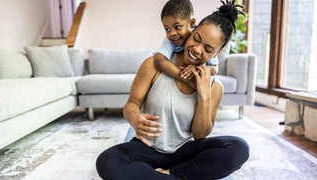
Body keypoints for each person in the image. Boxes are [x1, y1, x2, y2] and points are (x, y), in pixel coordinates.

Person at [96, 1, 249, 179]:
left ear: (217, 53)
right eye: (196, 38)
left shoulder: (215, 87)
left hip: (184, 151)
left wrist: (204, 95)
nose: (196, 50)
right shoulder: (153, 65)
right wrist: (134, 118)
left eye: (208, 49)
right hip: (147, 147)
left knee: (239, 148)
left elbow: (199, 135)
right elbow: (132, 103)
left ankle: (172, 174)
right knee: (107, 161)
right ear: (193, 28)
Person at [155, 0, 218, 83]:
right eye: (167, 29)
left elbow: (214, 68)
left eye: (177, 27)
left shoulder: (202, 37)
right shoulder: (170, 41)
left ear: (191, 23)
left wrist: (197, 69)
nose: (172, 33)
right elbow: (159, 60)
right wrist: (185, 77)